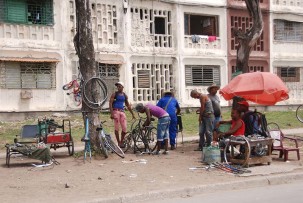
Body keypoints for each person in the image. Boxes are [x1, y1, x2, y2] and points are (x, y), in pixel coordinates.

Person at [109, 81, 135, 148]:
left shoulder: (124, 95)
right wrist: (111, 113)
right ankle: (119, 142)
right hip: (116, 111)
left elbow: (128, 105)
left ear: (122, 87)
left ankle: (121, 141)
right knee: (117, 128)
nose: (118, 87)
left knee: (124, 128)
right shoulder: (114, 94)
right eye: (117, 86)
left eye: (119, 86)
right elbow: (110, 103)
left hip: (122, 111)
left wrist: (132, 114)